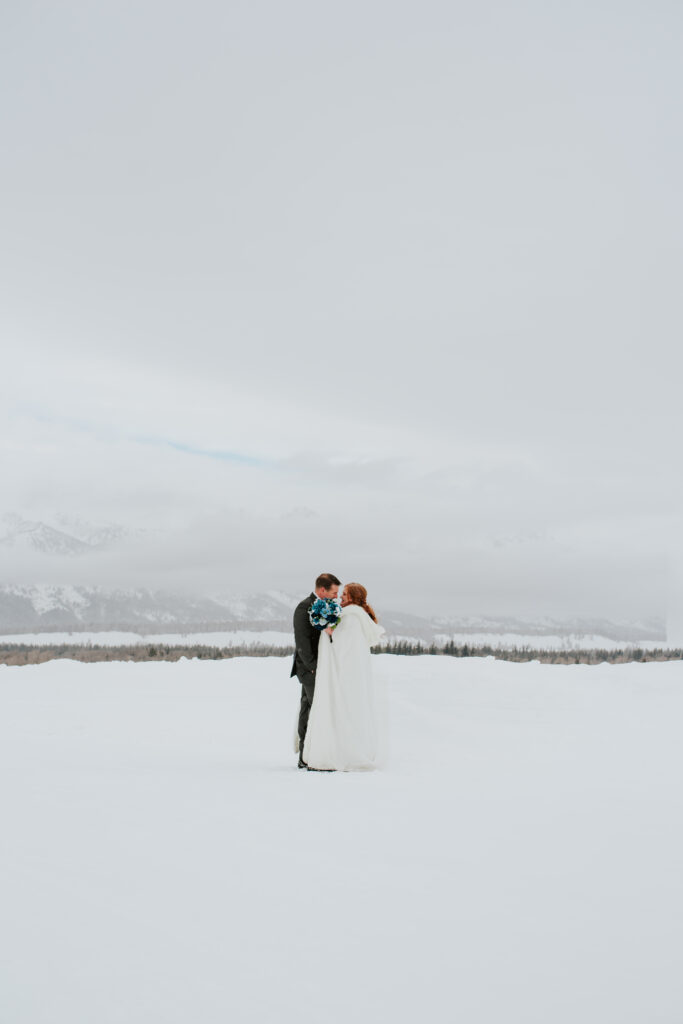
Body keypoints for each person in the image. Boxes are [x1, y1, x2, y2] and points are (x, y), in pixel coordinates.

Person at [303, 583, 386, 772]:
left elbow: (343, 647)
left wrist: (326, 630)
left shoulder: (351, 617)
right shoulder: (357, 616)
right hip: (352, 675)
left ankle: (342, 753)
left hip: (345, 674)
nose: (341, 597)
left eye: (345, 594)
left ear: (353, 597)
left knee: (342, 711)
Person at [291, 573, 341, 769]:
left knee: (309, 708)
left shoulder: (328, 607)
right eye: (334, 592)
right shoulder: (304, 608)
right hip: (309, 669)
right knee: (315, 709)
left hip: (321, 667)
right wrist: (313, 668)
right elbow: (302, 642)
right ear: (322, 590)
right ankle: (308, 756)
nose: (336, 596)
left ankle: (307, 756)